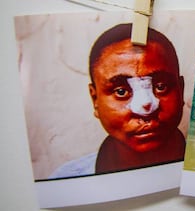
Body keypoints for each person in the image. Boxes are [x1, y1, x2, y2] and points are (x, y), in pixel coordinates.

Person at [50, 23, 186, 178]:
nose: (146, 107)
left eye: (161, 87)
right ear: (95, 99)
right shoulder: (65, 182)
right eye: (121, 91)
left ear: (181, 90)